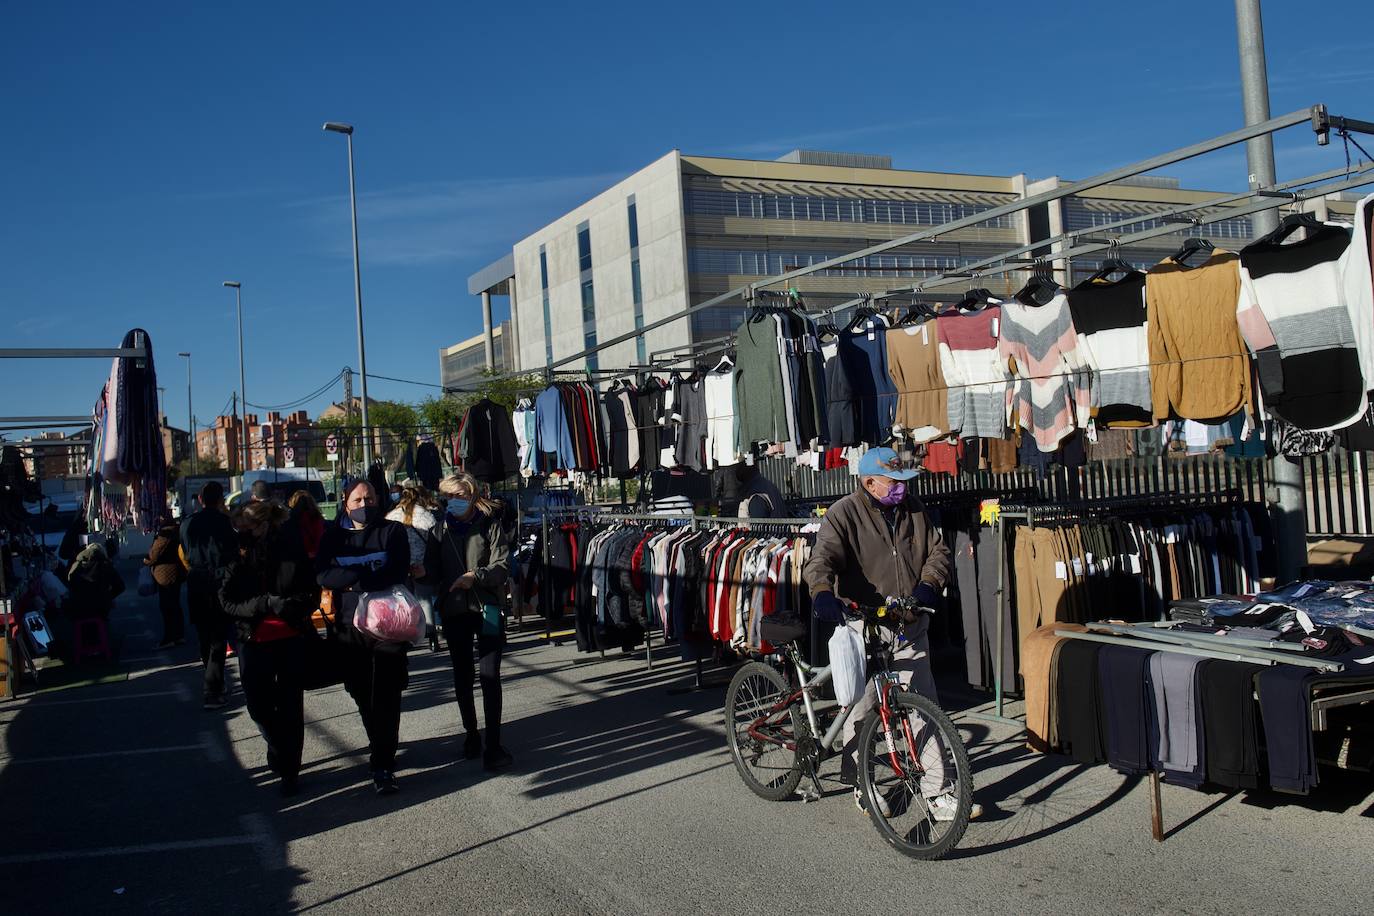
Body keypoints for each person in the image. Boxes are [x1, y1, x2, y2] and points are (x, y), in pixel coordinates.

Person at [802, 446, 978, 821]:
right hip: (864, 626)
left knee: (923, 707)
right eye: (892, 482)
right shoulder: (843, 514)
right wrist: (821, 592)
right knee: (862, 710)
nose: (900, 488)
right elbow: (822, 559)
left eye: (903, 481)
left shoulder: (913, 509)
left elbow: (939, 551)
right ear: (869, 483)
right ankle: (862, 784)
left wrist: (929, 584)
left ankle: (938, 792)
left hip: (908, 623)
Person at [317, 479, 411, 795]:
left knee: (386, 692)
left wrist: (353, 582)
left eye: (369, 498)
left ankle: (382, 762)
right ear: (345, 502)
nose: (364, 504)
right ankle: (379, 744)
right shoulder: (333, 537)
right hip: (348, 628)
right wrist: (363, 577)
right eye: (357, 499)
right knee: (361, 692)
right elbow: (324, 574)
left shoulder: (393, 532)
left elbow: (397, 570)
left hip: (387, 625)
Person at [220, 498, 319, 796]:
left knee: (291, 706)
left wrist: (289, 607)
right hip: (253, 640)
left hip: (290, 638)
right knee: (258, 706)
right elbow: (226, 601)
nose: (242, 533)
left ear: (263, 525)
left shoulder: (290, 548)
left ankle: (291, 770)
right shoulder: (236, 554)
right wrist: (262, 604)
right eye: (239, 528)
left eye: (247, 528)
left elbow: (311, 593)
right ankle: (279, 745)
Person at [435, 472, 516, 771]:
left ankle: (493, 746)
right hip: (455, 610)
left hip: (489, 608)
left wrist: (475, 576)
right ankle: (471, 734)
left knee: (490, 676)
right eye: (449, 497)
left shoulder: (490, 525)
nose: (454, 502)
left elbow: (502, 566)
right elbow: (432, 571)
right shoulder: (438, 530)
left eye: (460, 496)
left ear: (472, 495)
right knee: (462, 675)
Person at [181, 481, 239, 710]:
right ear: (221, 500)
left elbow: (185, 551)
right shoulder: (224, 523)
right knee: (218, 637)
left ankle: (213, 680)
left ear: (201, 500)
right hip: (217, 582)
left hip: (195, 580)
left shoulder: (187, 524)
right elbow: (232, 552)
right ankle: (212, 688)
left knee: (205, 636)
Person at [385, 481, 441, 651]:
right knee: (425, 601)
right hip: (421, 564)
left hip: (400, 565)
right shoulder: (426, 515)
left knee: (403, 601)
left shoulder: (391, 516)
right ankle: (432, 637)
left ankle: (407, 635)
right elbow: (436, 538)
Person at [144, 512, 187, 648]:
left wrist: (146, 560)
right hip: (176, 572)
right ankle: (179, 635)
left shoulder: (165, 534)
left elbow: (155, 555)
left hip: (165, 575)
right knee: (175, 606)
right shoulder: (177, 531)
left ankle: (170, 637)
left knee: (167, 607)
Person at [288, 490, 326, 560]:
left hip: (297, 558)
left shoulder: (290, 520)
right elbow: (320, 538)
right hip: (315, 556)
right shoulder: (316, 518)